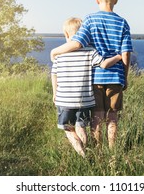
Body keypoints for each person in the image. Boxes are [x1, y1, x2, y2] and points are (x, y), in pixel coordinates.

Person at [51, 0, 133, 149]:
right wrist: (124, 77)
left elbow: (76, 44)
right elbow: (126, 54)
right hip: (116, 78)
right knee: (112, 116)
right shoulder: (123, 23)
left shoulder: (89, 20)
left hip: (95, 77)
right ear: (116, 0)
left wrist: (55, 51)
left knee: (97, 116)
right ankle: (112, 150)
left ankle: (98, 149)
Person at [51, 17, 122, 157]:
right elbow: (104, 64)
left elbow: (54, 75)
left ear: (66, 34)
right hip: (85, 100)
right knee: (80, 126)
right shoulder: (90, 51)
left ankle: (83, 155)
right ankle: (89, 151)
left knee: (68, 128)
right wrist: (118, 57)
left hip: (64, 99)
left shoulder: (60, 54)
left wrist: (55, 93)